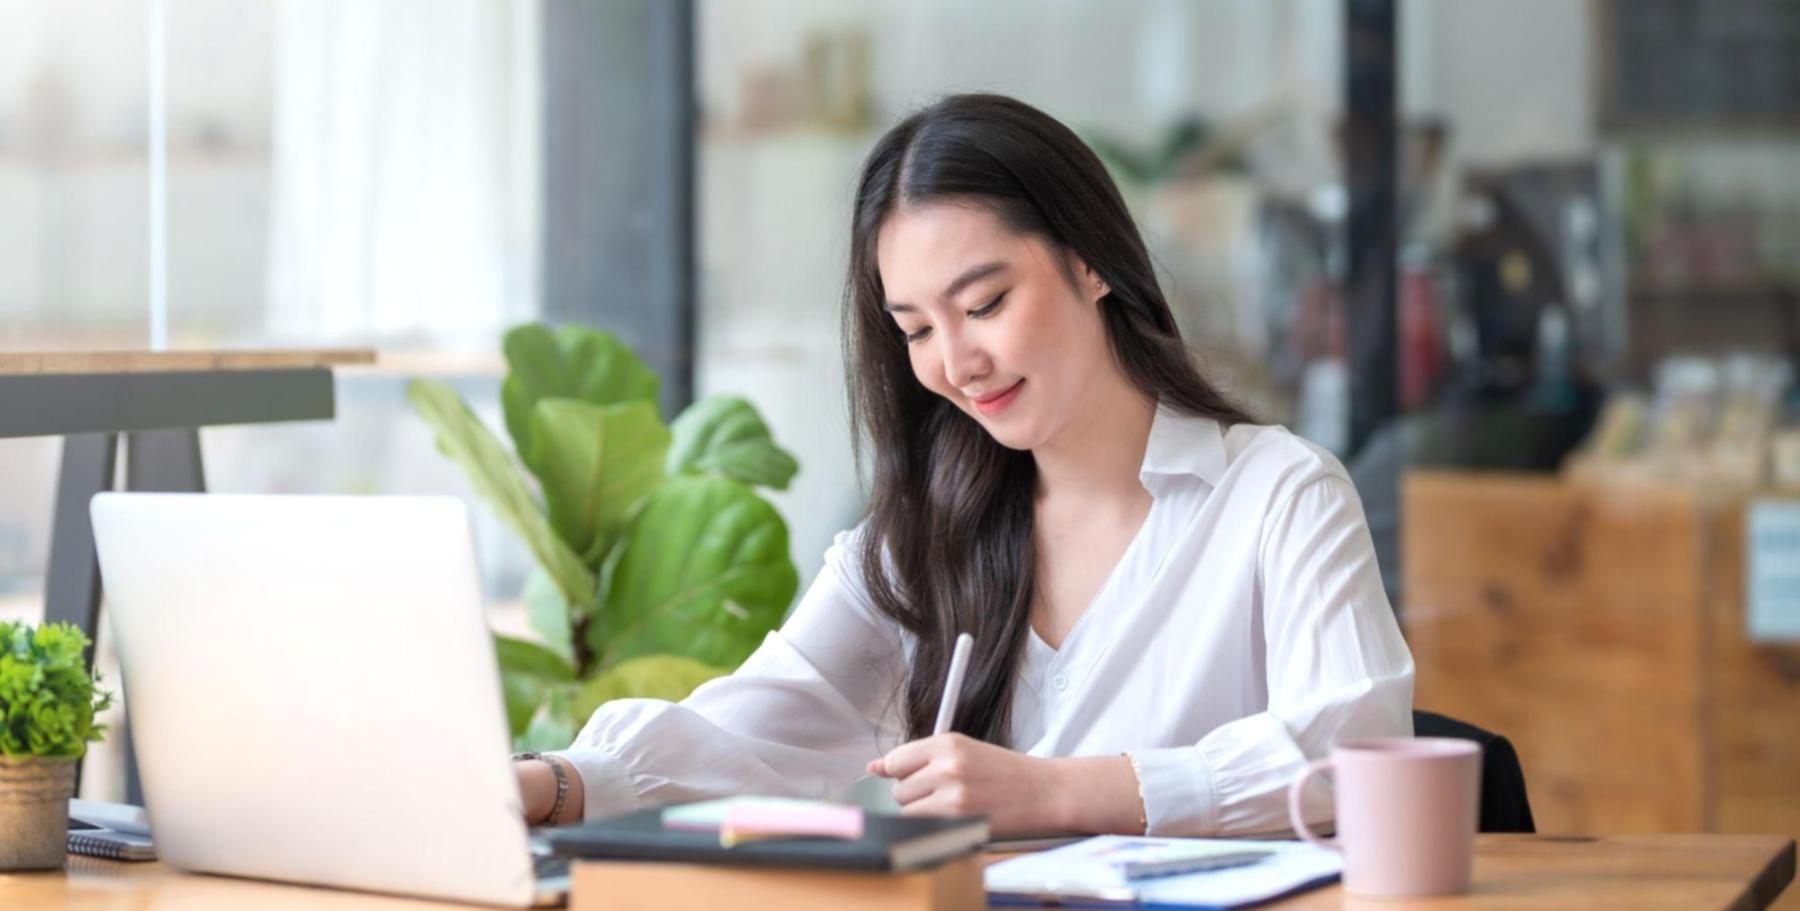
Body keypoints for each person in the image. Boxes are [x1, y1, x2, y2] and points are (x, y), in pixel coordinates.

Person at [514, 93, 1413, 838]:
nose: (955, 361)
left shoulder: (1281, 497)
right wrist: (547, 784)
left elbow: (1356, 754)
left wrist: (1055, 791)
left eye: (984, 303)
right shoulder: (915, 543)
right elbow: (744, 729)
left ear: (1089, 260)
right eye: (914, 329)